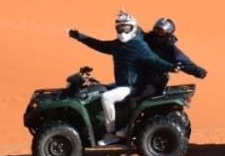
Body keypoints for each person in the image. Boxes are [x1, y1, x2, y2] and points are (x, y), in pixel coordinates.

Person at [68, 11, 175, 145]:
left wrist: (171, 67)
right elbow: (98, 44)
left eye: (126, 28)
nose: (123, 31)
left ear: (133, 28)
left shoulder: (138, 45)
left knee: (106, 97)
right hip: (121, 84)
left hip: (132, 86)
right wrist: (79, 36)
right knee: (98, 89)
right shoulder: (117, 45)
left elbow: (155, 60)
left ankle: (111, 133)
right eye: (120, 28)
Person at [145, 17, 208, 88]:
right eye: (156, 29)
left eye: (161, 31)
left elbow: (181, 60)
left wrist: (197, 70)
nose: (157, 33)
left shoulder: (168, 47)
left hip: (153, 77)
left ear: (168, 33)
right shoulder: (144, 39)